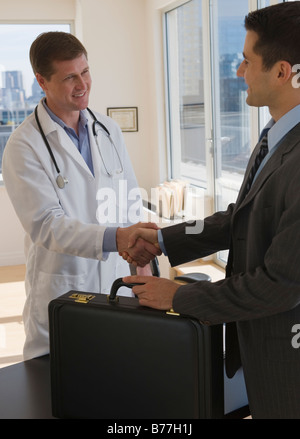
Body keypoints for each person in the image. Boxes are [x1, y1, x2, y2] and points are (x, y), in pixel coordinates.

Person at [122, 2, 300, 419]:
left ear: (281, 71)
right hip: (263, 344)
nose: (238, 72)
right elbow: (243, 215)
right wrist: (164, 238)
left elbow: (280, 283)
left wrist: (182, 295)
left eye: (246, 61)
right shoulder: (275, 134)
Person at [2, 32, 160, 361]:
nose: (82, 84)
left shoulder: (108, 129)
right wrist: (118, 238)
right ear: (41, 81)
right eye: (70, 77)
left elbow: (128, 201)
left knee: (119, 374)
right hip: (65, 285)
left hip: (118, 279)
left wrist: (143, 268)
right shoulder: (24, 144)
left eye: (85, 71)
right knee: (61, 389)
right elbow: (47, 226)